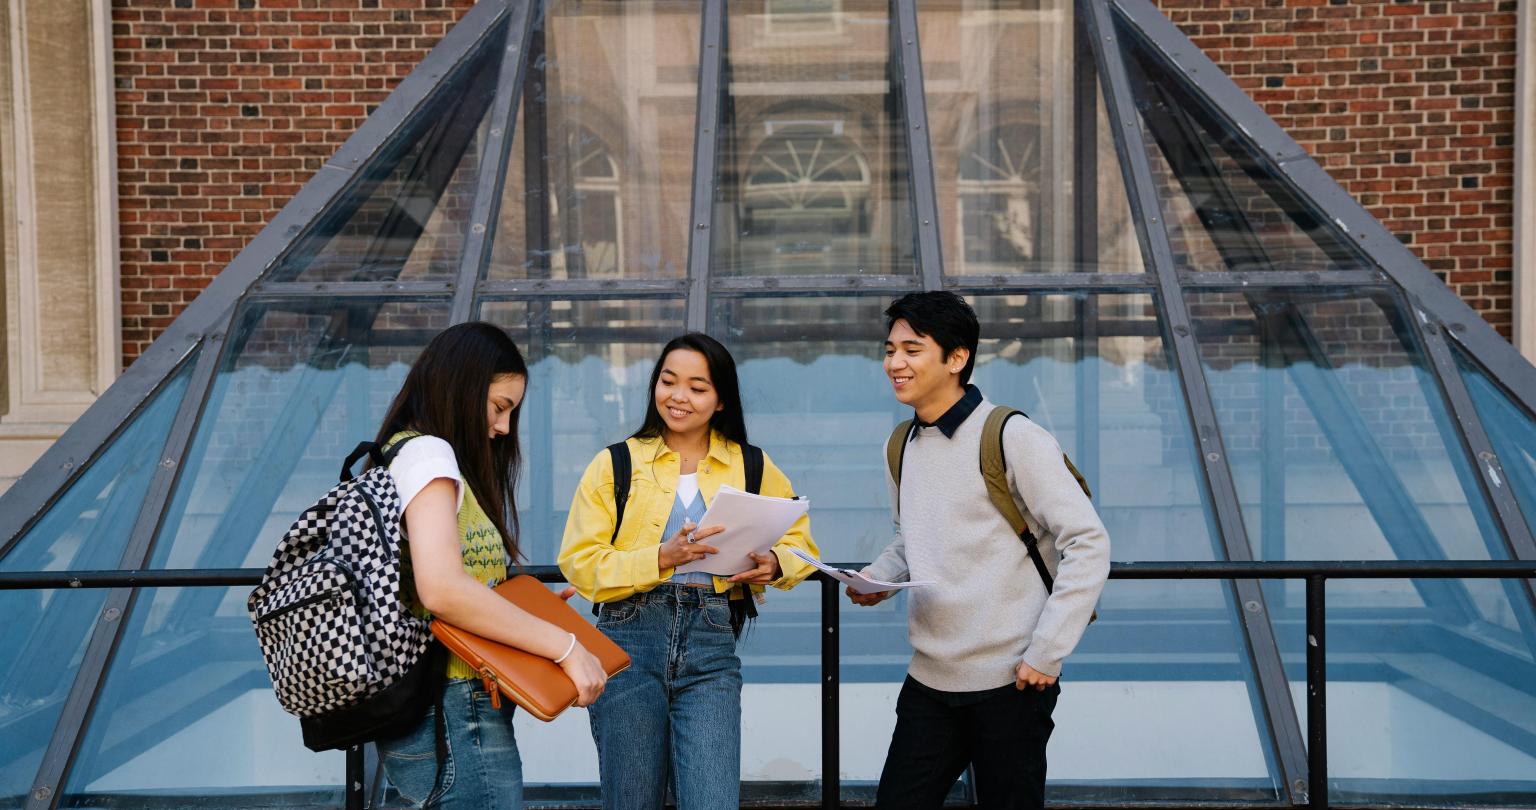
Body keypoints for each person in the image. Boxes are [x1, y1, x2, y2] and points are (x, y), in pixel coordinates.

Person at [850, 292, 1109, 810]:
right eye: (890, 349)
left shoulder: (1013, 436)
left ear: (957, 358)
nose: (895, 363)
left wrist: (1046, 652)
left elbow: (1088, 541)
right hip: (929, 679)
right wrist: (875, 577)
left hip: (1012, 682)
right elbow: (911, 534)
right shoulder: (900, 443)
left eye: (912, 350)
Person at [559, 332, 820, 810]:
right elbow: (580, 563)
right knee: (631, 799)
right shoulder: (616, 463)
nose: (678, 396)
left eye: (697, 388)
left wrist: (775, 562)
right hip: (627, 640)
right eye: (668, 381)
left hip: (712, 644)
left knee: (712, 798)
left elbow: (801, 541)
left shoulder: (752, 465)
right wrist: (660, 558)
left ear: (721, 400)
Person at [372, 322, 608, 809]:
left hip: (452, 706)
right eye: (499, 407)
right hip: (457, 705)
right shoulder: (428, 455)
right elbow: (442, 592)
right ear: (461, 386)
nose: (502, 427)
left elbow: (441, 585)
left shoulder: (409, 453)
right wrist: (563, 646)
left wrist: (525, 612)